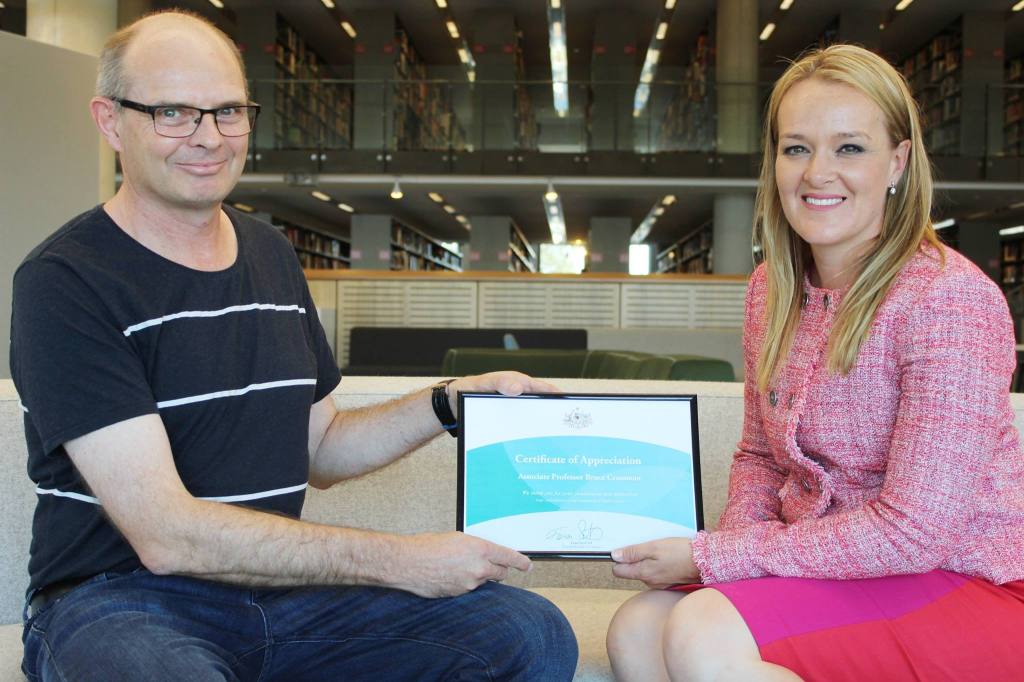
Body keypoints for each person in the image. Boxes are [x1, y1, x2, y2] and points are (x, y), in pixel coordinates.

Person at [12, 10, 577, 681]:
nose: (209, 138)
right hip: (117, 602)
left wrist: (449, 403)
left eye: (228, 111)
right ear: (110, 121)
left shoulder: (271, 254)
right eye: (173, 113)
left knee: (528, 633)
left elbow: (323, 450)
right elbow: (164, 535)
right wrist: (400, 561)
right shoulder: (66, 281)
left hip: (278, 600)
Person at [605, 43, 1024, 681]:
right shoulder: (772, 289)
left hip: (960, 578)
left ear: (899, 162)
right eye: (796, 148)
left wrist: (718, 559)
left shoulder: (949, 299)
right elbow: (757, 460)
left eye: (849, 148)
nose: (816, 173)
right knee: (637, 628)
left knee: (702, 630)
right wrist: (728, 558)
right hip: (834, 569)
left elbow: (914, 532)